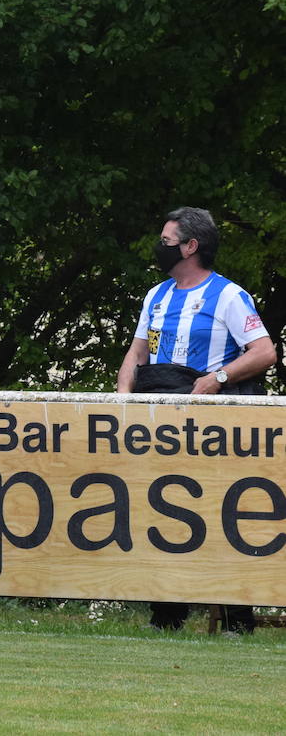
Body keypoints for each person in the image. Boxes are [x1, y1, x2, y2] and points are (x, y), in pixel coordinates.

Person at [116, 206, 276, 635]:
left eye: (167, 241)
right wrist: (122, 397)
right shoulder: (156, 295)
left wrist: (216, 379)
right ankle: (166, 616)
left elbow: (264, 352)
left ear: (191, 246)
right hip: (158, 418)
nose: (160, 247)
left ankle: (237, 621)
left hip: (210, 423)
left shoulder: (228, 295)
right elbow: (137, 353)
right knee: (161, 511)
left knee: (223, 515)